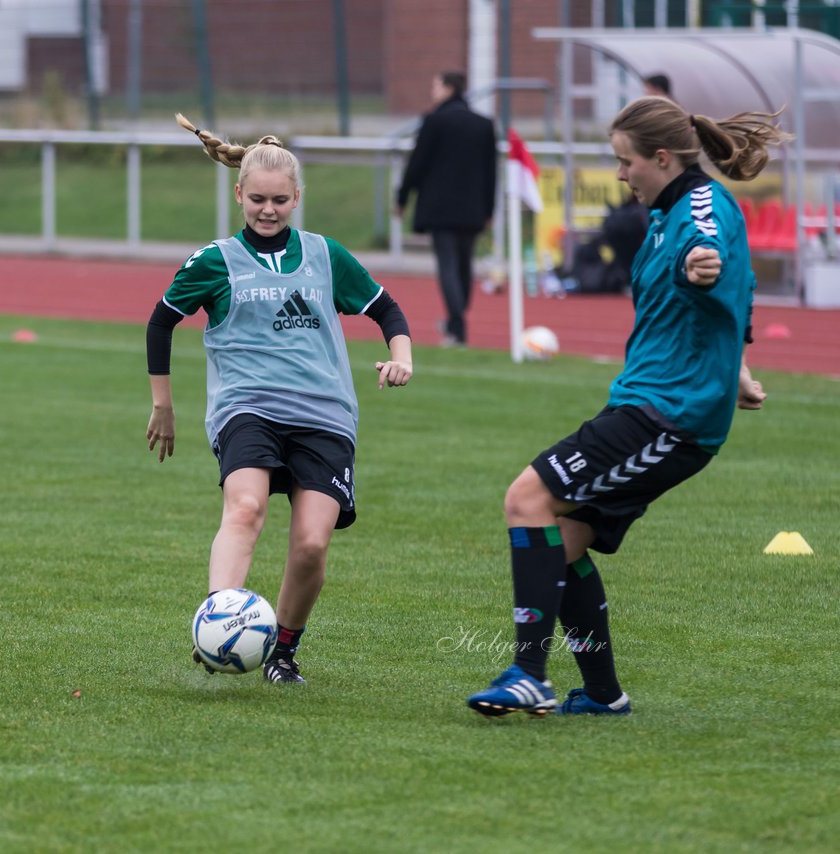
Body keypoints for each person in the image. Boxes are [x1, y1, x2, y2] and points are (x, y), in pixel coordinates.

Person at [466, 96, 788, 717]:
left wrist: (703, 270)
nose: (620, 174)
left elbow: (715, 256)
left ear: (661, 158)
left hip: (670, 414)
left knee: (525, 500)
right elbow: (729, 297)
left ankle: (528, 673)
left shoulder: (697, 208)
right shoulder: (666, 211)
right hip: (658, 401)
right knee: (561, 538)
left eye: (625, 161)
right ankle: (604, 694)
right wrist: (739, 364)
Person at [147, 113, 414, 684]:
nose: (268, 211)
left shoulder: (325, 255)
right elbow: (160, 322)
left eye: (280, 201)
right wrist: (163, 405)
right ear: (239, 194)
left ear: (297, 198)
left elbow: (386, 309)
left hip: (325, 413)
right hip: (247, 407)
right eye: (258, 200)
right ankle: (218, 623)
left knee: (313, 545)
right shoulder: (214, 260)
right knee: (245, 508)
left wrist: (403, 356)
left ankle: (284, 651)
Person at [395, 71, 497, 347]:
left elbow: (417, 163)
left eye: (436, 85)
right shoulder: (484, 124)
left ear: (450, 88)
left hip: (440, 208)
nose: (433, 90)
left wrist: (402, 197)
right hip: (473, 208)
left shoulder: (434, 121)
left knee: (449, 266)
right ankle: (455, 320)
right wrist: (489, 208)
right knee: (464, 266)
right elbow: (491, 172)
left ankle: (457, 327)